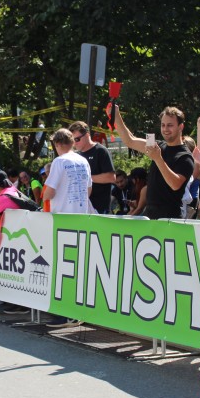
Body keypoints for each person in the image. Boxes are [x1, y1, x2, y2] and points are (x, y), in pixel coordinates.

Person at [43, 129, 92, 328]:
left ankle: (64, 315)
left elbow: (49, 192)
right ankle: (76, 312)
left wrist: (44, 199)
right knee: (76, 268)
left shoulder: (59, 161)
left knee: (61, 269)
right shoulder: (83, 161)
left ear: (57, 144)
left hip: (62, 220)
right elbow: (89, 190)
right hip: (81, 219)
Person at [113, 105, 194, 218]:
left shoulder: (185, 156)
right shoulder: (158, 145)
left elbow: (175, 184)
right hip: (150, 215)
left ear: (181, 127)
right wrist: (116, 114)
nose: (165, 129)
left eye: (170, 125)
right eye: (163, 125)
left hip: (170, 218)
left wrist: (158, 158)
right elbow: (130, 141)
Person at [69, 121, 117, 214]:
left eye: (77, 139)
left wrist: (85, 178)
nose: (75, 143)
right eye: (72, 140)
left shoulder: (100, 151)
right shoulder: (76, 155)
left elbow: (111, 177)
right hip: (80, 207)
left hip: (99, 208)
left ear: (87, 135)